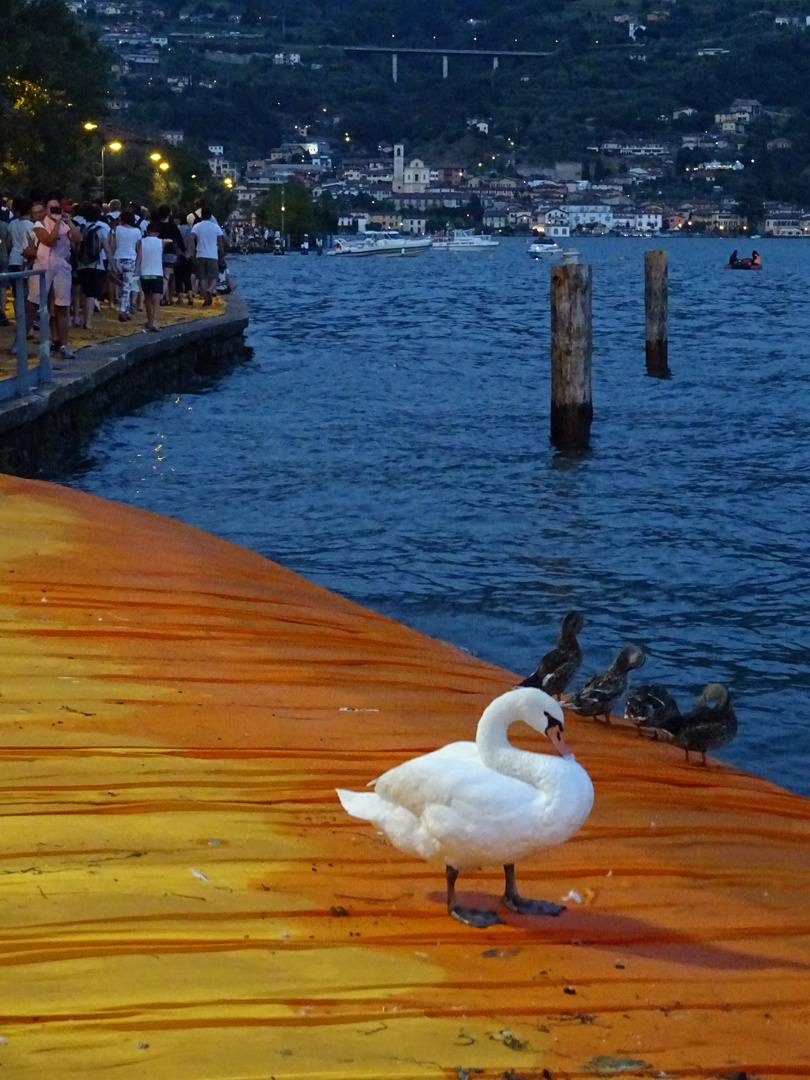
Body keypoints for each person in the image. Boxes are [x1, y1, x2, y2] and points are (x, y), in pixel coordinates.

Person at [28, 193, 82, 359]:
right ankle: (21, 338)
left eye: (57, 207)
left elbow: (78, 239)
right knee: (33, 303)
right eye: (52, 208)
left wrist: (68, 221)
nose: (55, 210)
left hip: (62, 265)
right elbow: (49, 241)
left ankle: (62, 343)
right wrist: (58, 223)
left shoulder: (65, 224)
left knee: (62, 305)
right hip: (43, 265)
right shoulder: (40, 224)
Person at [75, 203, 113, 331]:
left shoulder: (80, 228)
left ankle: (78, 317)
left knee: (83, 292)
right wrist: (112, 264)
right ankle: (88, 321)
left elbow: (75, 247)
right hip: (96, 265)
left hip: (81, 265)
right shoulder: (101, 229)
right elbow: (107, 249)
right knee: (92, 294)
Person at [190, 207, 224, 306]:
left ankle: (206, 298)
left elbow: (191, 241)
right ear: (210, 216)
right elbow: (220, 243)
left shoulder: (196, 226)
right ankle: (210, 289)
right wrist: (222, 255)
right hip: (213, 255)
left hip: (200, 254)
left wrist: (190, 252)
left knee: (202, 278)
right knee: (214, 277)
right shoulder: (216, 227)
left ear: (201, 216)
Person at [112, 210, 142, 321]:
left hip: (118, 257)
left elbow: (113, 244)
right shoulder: (137, 231)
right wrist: (138, 263)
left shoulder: (117, 229)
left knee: (121, 285)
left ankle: (125, 309)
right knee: (127, 286)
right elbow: (139, 249)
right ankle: (124, 310)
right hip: (131, 259)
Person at [136, 220, 166, 331]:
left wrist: (136, 270)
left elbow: (139, 257)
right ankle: (155, 321)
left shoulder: (141, 242)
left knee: (147, 297)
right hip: (157, 272)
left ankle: (149, 320)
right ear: (158, 232)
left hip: (145, 272)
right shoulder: (161, 242)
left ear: (147, 231)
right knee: (156, 298)